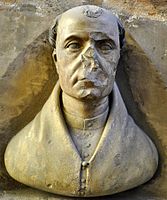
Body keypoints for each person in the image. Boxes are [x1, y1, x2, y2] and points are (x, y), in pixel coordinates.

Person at [4, 5, 158, 197]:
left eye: (105, 46)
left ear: (118, 58)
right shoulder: (22, 152)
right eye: (74, 45)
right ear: (56, 60)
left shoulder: (142, 154)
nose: (90, 60)